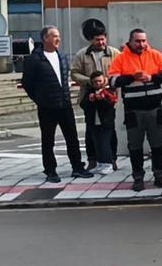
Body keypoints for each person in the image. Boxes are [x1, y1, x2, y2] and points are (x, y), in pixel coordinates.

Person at [21, 26, 91, 182]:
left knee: (72, 138)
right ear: (45, 38)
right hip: (46, 107)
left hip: (64, 104)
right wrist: (40, 99)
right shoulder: (34, 59)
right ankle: (50, 170)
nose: (58, 39)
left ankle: (77, 167)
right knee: (48, 140)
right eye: (54, 36)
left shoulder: (62, 56)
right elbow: (27, 83)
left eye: (58, 36)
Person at [108, 28, 162, 191]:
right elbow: (113, 81)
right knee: (135, 146)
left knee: (158, 144)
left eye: (144, 40)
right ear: (130, 41)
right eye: (137, 41)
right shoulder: (121, 58)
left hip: (155, 108)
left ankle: (160, 175)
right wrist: (132, 77)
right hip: (133, 110)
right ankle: (138, 178)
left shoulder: (155, 55)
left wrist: (152, 77)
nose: (141, 44)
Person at [70, 27, 119, 171]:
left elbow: (121, 69)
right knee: (90, 129)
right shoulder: (82, 54)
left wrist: (108, 80)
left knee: (109, 129)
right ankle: (92, 159)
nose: (101, 42)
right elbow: (74, 73)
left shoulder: (114, 53)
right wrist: (90, 81)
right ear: (91, 40)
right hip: (89, 96)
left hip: (108, 97)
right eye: (97, 40)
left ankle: (112, 158)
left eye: (103, 39)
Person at [80, 72, 118, 171]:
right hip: (93, 122)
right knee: (97, 143)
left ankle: (108, 164)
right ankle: (100, 163)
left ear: (104, 80)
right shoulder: (89, 92)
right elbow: (82, 104)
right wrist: (90, 99)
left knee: (106, 143)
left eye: (99, 81)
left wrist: (101, 99)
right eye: (95, 82)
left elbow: (111, 103)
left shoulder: (109, 90)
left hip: (106, 122)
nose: (98, 83)